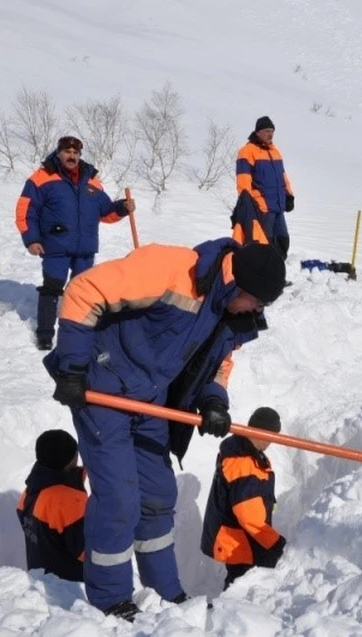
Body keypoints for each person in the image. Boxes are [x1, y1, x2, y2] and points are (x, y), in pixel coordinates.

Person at [44, 239, 286, 621]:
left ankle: (165, 591)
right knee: (119, 500)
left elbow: (219, 362)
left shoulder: (226, 310)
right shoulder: (174, 269)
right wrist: (73, 366)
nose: (257, 311)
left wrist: (214, 401)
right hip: (101, 386)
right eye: (257, 301)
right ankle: (111, 600)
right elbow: (84, 289)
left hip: (148, 398)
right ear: (240, 284)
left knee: (158, 495)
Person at [15, 135, 134, 351]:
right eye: (67, 152)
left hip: (84, 250)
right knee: (52, 288)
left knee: (82, 292)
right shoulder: (42, 178)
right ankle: (45, 334)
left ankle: (79, 333)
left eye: (75, 153)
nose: (71, 156)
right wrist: (31, 239)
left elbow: (105, 212)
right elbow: (26, 210)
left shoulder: (91, 181)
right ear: (59, 153)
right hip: (55, 246)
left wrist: (122, 208)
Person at [201, 406, 286, 591]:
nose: (271, 443)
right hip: (241, 541)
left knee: (240, 582)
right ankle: (223, 616)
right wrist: (276, 543)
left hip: (243, 539)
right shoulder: (243, 461)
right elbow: (249, 515)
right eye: (272, 437)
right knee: (239, 587)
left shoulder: (246, 452)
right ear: (265, 433)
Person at [16, 429, 87, 582]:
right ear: (71, 460)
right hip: (72, 587)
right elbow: (86, 551)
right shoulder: (67, 499)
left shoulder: (29, 492)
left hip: (41, 579)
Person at [234, 116, 295, 260]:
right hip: (262, 208)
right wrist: (250, 205)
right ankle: (264, 280)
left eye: (272, 131)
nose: (271, 134)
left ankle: (277, 278)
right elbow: (243, 183)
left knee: (282, 241)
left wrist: (289, 195)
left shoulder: (275, 151)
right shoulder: (247, 151)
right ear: (258, 132)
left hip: (278, 206)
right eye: (267, 131)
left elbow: (283, 176)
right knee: (263, 245)